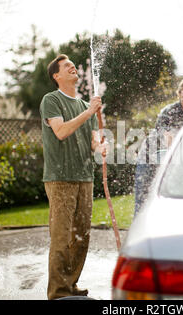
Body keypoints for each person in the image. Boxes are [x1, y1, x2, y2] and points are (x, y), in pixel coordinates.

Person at [39, 54, 106, 300]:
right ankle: (58, 292)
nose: (73, 68)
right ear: (56, 76)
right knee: (61, 235)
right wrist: (89, 112)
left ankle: (71, 283)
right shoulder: (51, 100)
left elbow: (91, 142)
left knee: (81, 235)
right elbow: (61, 131)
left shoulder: (81, 105)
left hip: (84, 177)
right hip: (60, 178)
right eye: (66, 66)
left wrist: (101, 146)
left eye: (73, 66)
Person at [133, 78, 183, 216]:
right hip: (149, 158)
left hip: (171, 158)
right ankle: (138, 232)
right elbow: (168, 137)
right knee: (143, 200)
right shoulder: (169, 111)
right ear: (179, 93)